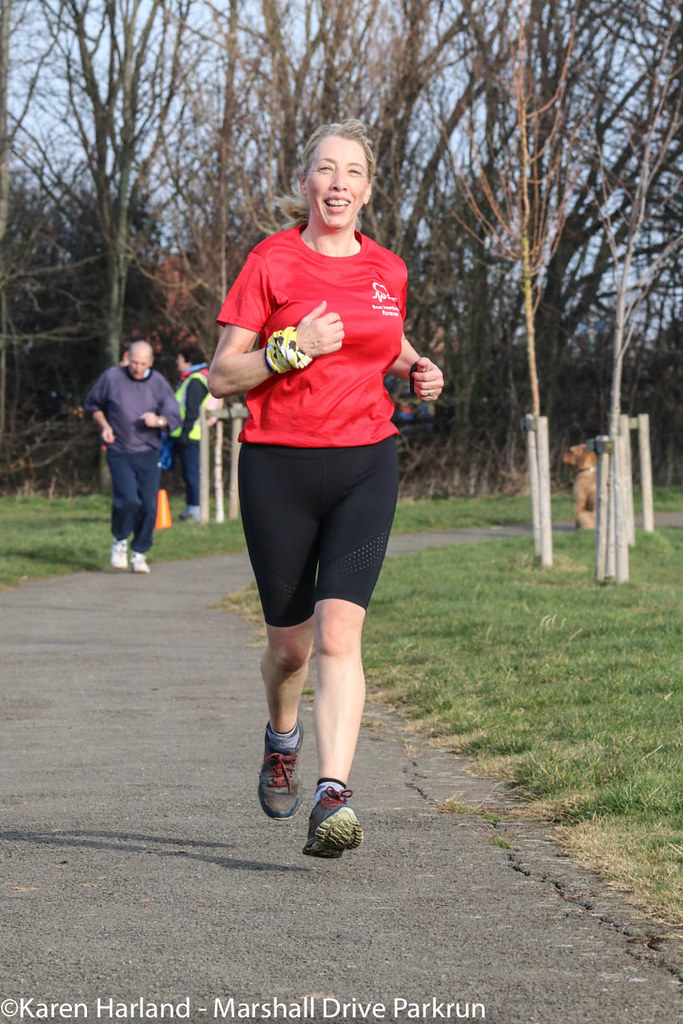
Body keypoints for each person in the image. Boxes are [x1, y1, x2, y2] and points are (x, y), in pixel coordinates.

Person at [208, 119, 444, 858]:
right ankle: (283, 737)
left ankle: (332, 793)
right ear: (305, 183)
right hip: (277, 466)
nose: (337, 183)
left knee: (341, 632)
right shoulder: (270, 262)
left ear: (368, 189)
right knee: (290, 649)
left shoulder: (388, 270)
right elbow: (221, 377)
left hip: (365, 462)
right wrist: (289, 348)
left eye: (352, 173)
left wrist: (414, 367)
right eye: (324, 170)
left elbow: (385, 334)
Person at [84, 340, 181, 574]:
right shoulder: (112, 377)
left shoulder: (158, 383)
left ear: (151, 362)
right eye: (133, 362)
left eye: (142, 364)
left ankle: (139, 552)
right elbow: (92, 404)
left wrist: (158, 421)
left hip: (148, 452)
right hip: (119, 450)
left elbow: (174, 415)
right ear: (127, 358)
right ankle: (119, 540)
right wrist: (104, 426)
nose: (137, 368)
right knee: (128, 500)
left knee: (149, 506)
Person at [171, 343, 212, 521]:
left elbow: (191, 410)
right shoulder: (193, 378)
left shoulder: (195, 380)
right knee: (188, 474)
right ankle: (190, 508)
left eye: (179, 359)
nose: (176, 362)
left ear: (188, 360)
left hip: (192, 436)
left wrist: (185, 433)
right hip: (189, 434)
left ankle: (195, 509)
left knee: (192, 474)